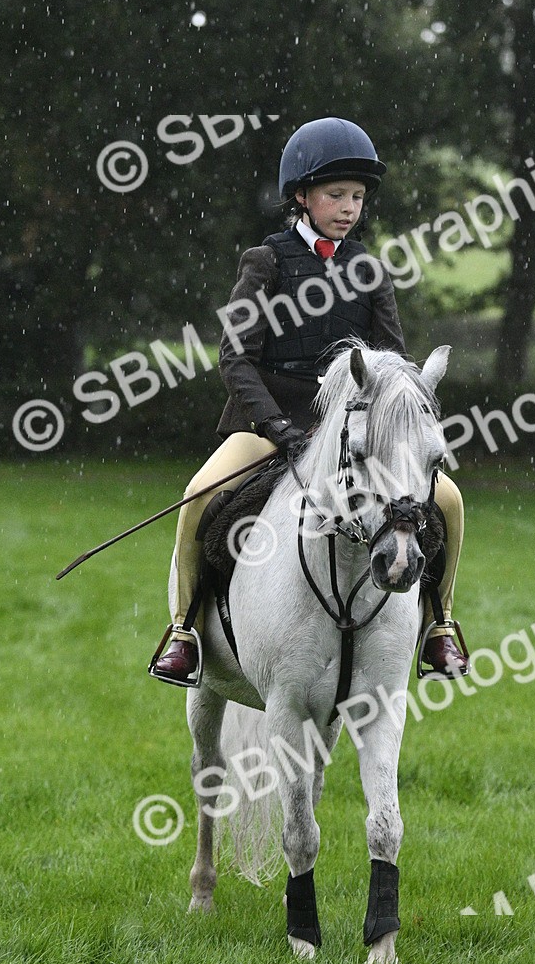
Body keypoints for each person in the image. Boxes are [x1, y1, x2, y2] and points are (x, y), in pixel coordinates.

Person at [150, 116, 468, 686]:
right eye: (336, 195)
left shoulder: (370, 271)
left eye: (357, 197)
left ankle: (441, 623)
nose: (349, 207)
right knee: (198, 495)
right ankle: (184, 630)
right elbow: (235, 358)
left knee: (447, 500)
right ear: (301, 197)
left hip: (354, 429)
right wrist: (275, 425)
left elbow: (390, 363)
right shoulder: (266, 263)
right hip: (270, 421)